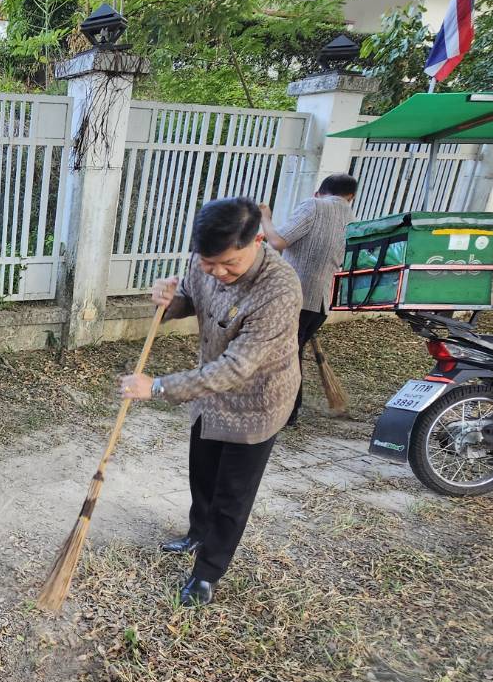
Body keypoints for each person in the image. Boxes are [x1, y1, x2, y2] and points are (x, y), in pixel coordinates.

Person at [121, 197, 302, 607]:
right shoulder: (204, 260)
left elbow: (236, 369)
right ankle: (196, 531)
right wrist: (169, 302)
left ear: (257, 240)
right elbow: (189, 295)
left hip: (256, 400)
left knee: (232, 494)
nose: (218, 273)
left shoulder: (279, 288)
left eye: (229, 264)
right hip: (209, 396)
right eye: (208, 262)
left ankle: (208, 571)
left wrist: (157, 387)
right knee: (202, 470)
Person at [259, 173, 357, 424]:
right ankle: (289, 410)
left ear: (319, 192)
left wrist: (265, 218)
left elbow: (278, 240)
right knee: (292, 352)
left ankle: (284, 411)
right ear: (351, 198)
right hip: (321, 300)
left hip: (296, 295)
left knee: (284, 354)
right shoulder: (352, 218)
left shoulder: (313, 206)